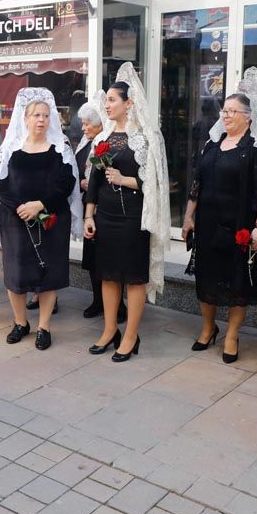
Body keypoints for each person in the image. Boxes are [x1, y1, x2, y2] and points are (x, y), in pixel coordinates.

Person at [181, 80, 257, 364]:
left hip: (240, 226)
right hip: (208, 224)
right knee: (206, 278)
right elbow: (196, 183)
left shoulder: (256, 147)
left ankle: (232, 335)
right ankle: (209, 328)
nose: (225, 116)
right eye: (224, 111)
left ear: (248, 116)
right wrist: (188, 217)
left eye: (232, 111)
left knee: (237, 284)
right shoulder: (213, 144)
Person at [84, 63, 171, 362]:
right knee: (107, 276)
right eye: (106, 99)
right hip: (105, 217)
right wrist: (89, 215)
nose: (106, 105)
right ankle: (110, 330)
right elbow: (94, 181)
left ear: (128, 103)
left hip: (135, 218)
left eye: (111, 100)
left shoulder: (148, 138)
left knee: (133, 278)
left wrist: (126, 180)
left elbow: (158, 185)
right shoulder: (101, 139)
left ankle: (131, 335)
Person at [0, 88, 80, 350]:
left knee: (48, 274)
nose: (41, 120)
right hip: (16, 222)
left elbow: (67, 183)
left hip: (50, 221)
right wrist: (22, 208)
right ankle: (20, 322)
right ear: (24, 118)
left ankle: (44, 326)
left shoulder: (61, 149)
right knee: (16, 276)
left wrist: (41, 205)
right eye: (36, 115)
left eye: (46, 115)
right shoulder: (10, 150)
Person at [75, 91, 125, 322]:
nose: (84, 128)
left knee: (112, 258)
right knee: (93, 258)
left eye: (88, 124)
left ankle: (118, 305)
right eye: (83, 124)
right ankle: (97, 300)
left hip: (107, 206)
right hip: (90, 207)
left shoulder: (107, 143)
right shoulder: (85, 145)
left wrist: (92, 181)